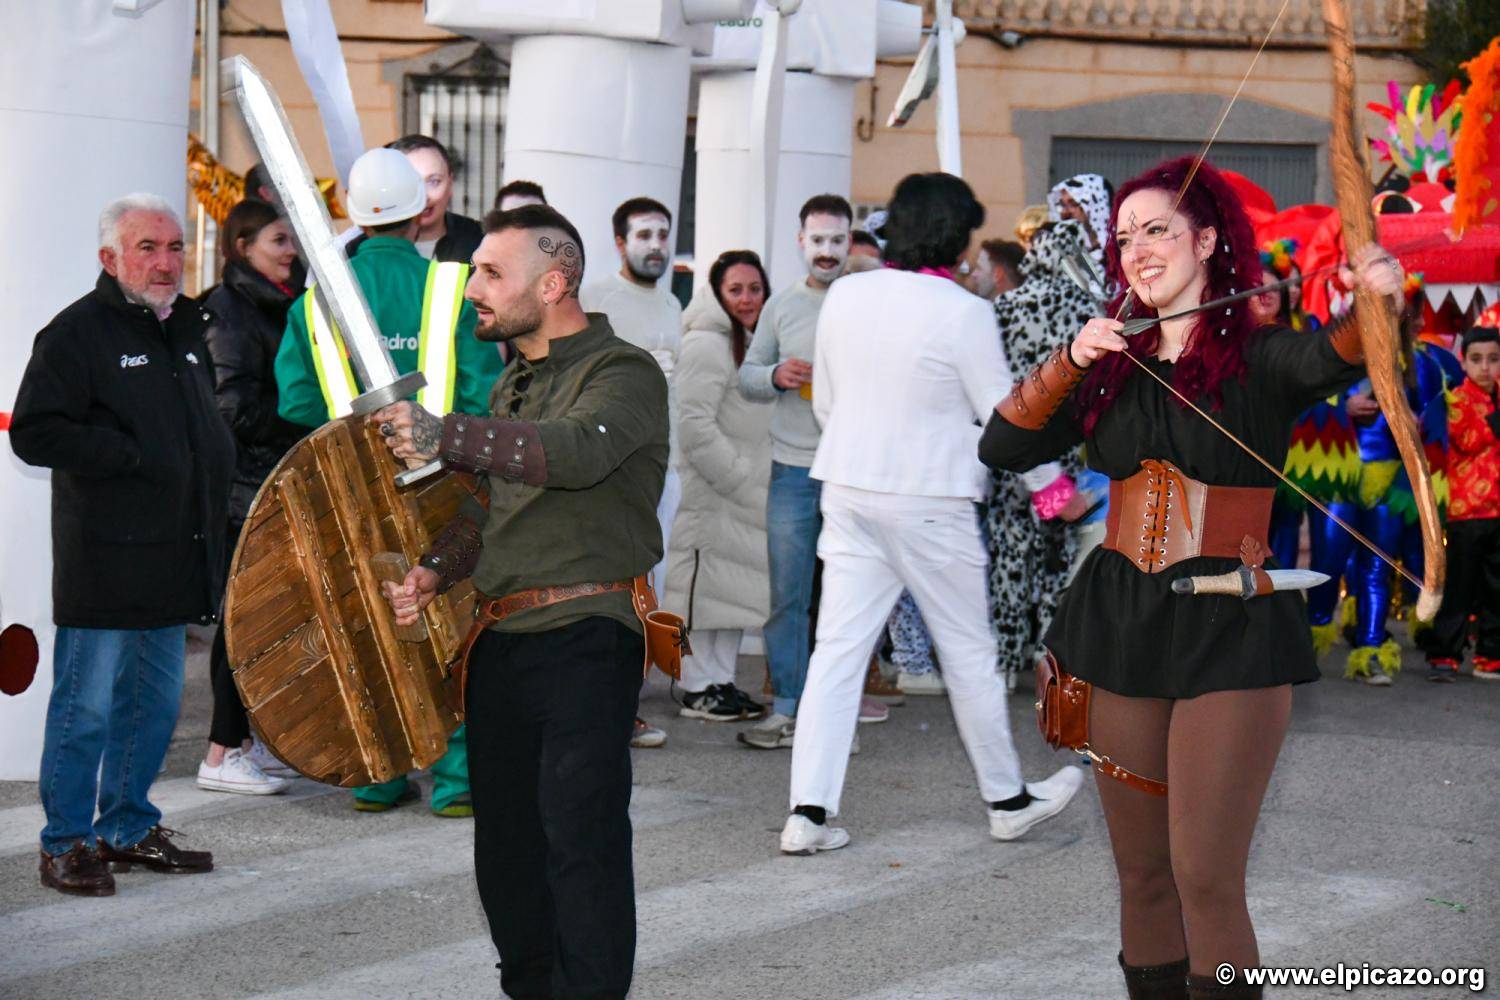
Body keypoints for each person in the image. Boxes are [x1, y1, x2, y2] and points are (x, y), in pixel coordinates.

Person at [978, 156, 1404, 997]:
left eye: (1158, 230)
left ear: (1207, 241)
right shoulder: (1108, 360)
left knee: (1204, 874)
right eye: (1124, 237)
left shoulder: (1260, 356)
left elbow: (1337, 356)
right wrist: (1070, 358)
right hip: (1118, 621)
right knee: (1143, 877)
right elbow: (1003, 447)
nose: (1138, 249)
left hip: (1233, 625)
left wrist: (1378, 300)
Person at [372, 204, 668, 999]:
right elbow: (490, 505)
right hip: (500, 639)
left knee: (582, 839)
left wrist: (447, 435)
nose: (475, 289)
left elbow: (573, 452)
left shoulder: (624, 372)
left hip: (589, 635)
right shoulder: (513, 380)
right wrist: (436, 568)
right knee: (505, 848)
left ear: (554, 283)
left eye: (492, 274)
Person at [779, 172, 1085, 856]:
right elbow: (1005, 415)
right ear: (954, 236)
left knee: (837, 654)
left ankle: (808, 813)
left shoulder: (846, 294)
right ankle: (1006, 801)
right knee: (968, 653)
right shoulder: (964, 311)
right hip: (930, 498)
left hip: (848, 487)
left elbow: (826, 403)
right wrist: (1053, 488)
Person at [12, 193, 235, 896]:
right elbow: (34, 432)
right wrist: (128, 454)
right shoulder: (75, 334)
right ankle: (65, 842)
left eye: (174, 248)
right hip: (105, 561)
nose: (166, 262)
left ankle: (128, 827)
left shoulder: (189, 326)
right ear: (110, 258)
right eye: (148, 248)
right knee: (85, 713)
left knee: (154, 708)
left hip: (176, 555)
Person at [275, 147, 503, 815]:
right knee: (451, 619)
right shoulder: (454, 289)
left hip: (348, 490)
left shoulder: (314, 304)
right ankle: (457, 781)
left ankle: (379, 777)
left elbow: (295, 401)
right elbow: (482, 396)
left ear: (356, 215)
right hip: (441, 485)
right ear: (421, 212)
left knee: (369, 622)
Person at [737, 193, 854, 751]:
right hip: (792, 470)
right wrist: (776, 375)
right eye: (818, 240)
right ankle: (787, 706)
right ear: (800, 242)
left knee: (848, 600)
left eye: (837, 240)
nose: (827, 251)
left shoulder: (865, 300)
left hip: (853, 471)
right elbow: (748, 375)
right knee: (788, 596)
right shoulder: (781, 304)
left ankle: (834, 715)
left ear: (849, 242)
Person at [197, 199, 305, 794]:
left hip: (270, 480)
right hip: (247, 487)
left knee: (264, 621)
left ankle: (243, 741)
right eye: (277, 240)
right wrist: (307, 420)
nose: (290, 251)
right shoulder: (231, 310)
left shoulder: (277, 304)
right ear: (243, 247)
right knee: (241, 622)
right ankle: (220, 751)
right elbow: (233, 407)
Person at [580, 196, 683, 750]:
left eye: (663, 234)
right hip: (613, 470)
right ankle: (604, 708)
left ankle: (630, 707)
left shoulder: (671, 303)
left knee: (650, 590)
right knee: (613, 590)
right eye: (644, 235)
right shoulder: (596, 299)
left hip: (663, 468)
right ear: (620, 243)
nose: (656, 245)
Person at [984, 220, 1098, 692]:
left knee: (1008, 556)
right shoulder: (1089, 311)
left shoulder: (1001, 308)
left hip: (1010, 448)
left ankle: (1004, 662)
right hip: (1062, 450)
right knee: (1058, 561)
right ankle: (1050, 663)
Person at [664, 251, 773, 721]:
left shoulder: (751, 341)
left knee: (733, 594)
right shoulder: (707, 344)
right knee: (701, 593)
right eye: (736, 290)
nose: (747, 299)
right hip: (712, 492)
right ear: (716, 293)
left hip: (744, 496)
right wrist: (737, 477)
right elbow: (693, 424)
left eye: (754, 289)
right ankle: (696, 687)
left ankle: (720, 681)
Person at [1427, 325, 1500, 681]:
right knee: (1459, 586)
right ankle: (1446, 652)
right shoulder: (1456, 399)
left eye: (1493, 359)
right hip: (1466, 511)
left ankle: (1491, 654)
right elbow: (1469, 439)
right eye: (1477, 359)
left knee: (1497, 588)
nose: (1485, 367)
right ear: (1464, 362)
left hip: (1497, 510)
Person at [344, 135, 485, 265]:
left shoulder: (480, 240)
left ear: (450, 182)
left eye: (434, 181)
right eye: (409, 184)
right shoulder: (353, 252)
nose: (423, 195)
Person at [1048, 172, 1113, 261]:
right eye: (1062, 205)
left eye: (1073, 203)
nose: (1064, 212)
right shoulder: (1059, 252)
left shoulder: (1118, 252)